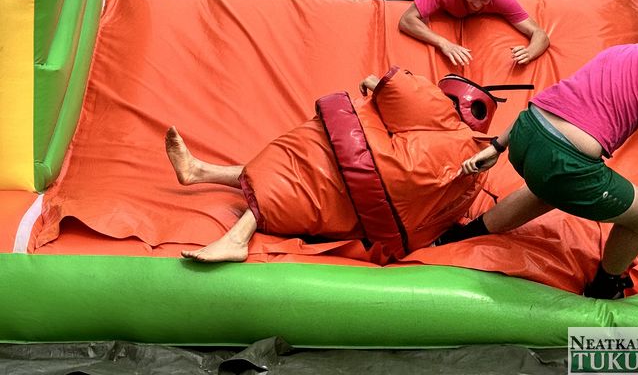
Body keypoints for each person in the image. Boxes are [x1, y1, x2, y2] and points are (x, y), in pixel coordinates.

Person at [436, 2, 638, 300]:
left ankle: (459, 237)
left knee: (548, 191)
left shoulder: (624, 52)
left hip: (526, 133)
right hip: (564, 157)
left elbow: (557, 97)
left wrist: (498, 145)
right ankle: (604, 287)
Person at [164, 68, 509, 264]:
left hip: (358, 184)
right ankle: (200, 172)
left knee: (297, 173)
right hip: (371, 217)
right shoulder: (474, 166)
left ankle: (236, 239)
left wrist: (377, 84)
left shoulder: (443, 116)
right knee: (288, 166)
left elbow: (404, 91)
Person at [296, 0, 550, 66]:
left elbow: (539, 34)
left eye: (484, 0)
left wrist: (530, 52)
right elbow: (407, 21)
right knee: (351, 6)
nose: (477, 5)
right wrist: (444, 43)